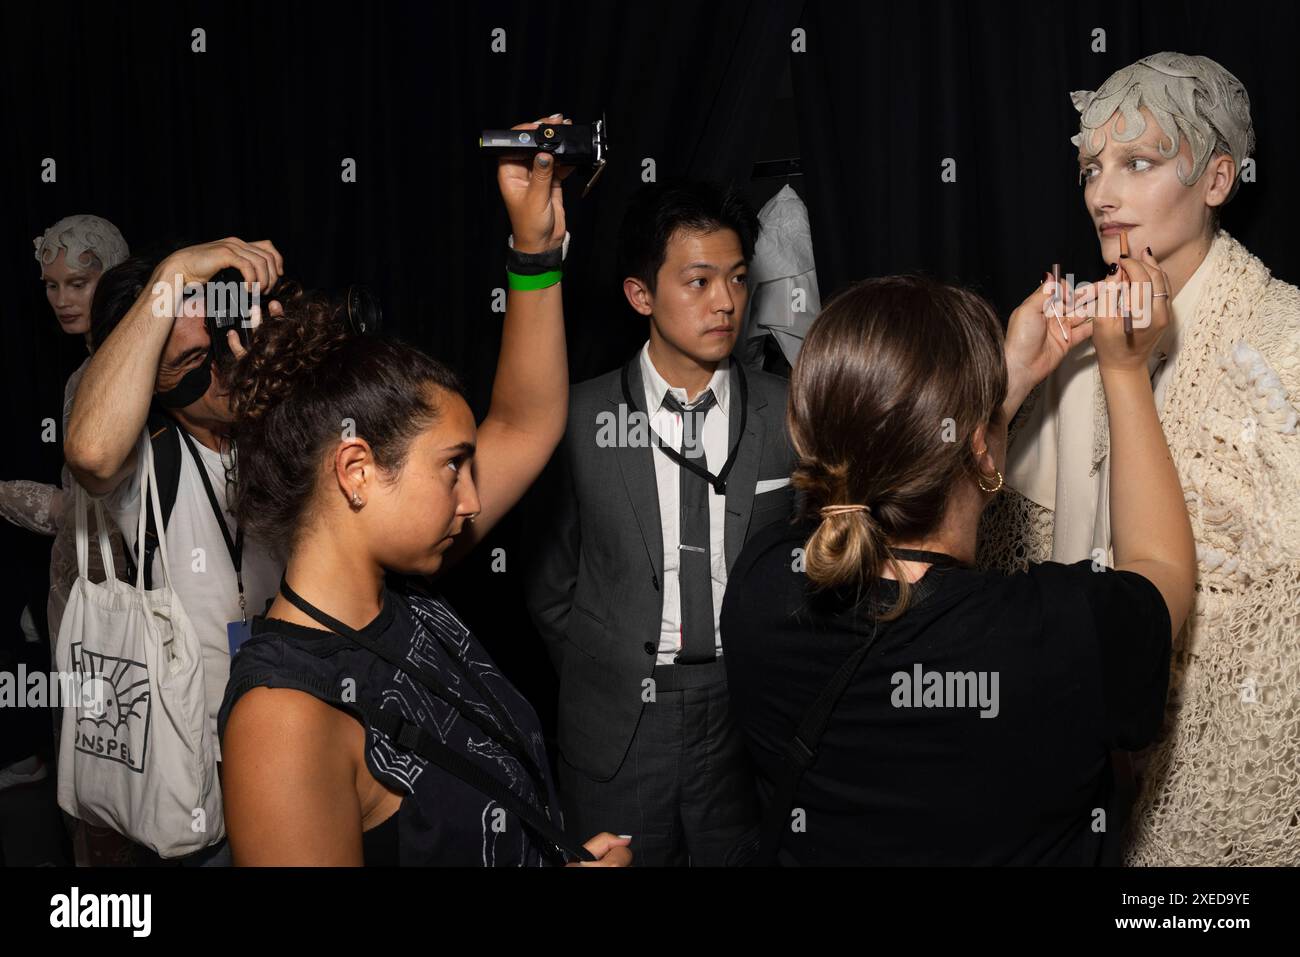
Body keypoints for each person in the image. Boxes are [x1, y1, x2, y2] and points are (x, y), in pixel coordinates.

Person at [217, 115, 630, 867]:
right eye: (453, 466)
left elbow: (529, 420)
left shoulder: (401, 592)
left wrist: (534, 247)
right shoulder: (283, 719)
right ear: (355, 472)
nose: (473, 498)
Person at [721, 269, 1196, 865]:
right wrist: (1125, 370)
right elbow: (1161, 565)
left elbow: (892, 458)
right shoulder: (1060, 636)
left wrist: (1009, 380)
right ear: (977, 445)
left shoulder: (760, 585)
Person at [981, 52, 1300, 865]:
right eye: (1091, 168)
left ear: (1218, 178)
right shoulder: (1072, 336)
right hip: (1076, 779)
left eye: (1137, 162)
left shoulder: (1283, 340)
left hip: (1226, 783)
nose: (1100, 195)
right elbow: (990, 555)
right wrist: (1010, 385)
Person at [525, 180, 795, 866]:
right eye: (699, 281)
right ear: (641, 295)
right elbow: (551, 582)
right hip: (616, 726)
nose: (726, 302)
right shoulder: (579, 417)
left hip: (743, 717)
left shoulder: (786, 410)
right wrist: (606, 666)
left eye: (737, 279)